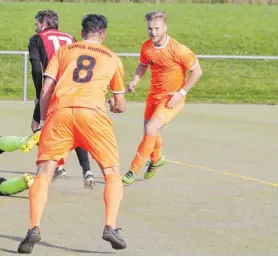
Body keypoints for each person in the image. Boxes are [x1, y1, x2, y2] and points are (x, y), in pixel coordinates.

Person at [17, 14, 127, 254]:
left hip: (61, 114)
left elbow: (46, 88)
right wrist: (114, 104)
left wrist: (45, 119)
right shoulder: (113, 58)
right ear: (103, 34)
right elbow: (120, 104)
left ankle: (33, 228)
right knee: (111, 172)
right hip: (93, 116)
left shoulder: (66, 51)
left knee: (44, 174)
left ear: (82, 31)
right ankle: (110, 226)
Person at [121, 11, 203, 184]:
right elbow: (142, 66)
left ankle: (132, 170)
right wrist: (134, 80)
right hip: (153, 96)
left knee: (151, 130)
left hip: (172, 98)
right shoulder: (147, 47)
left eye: (157, 28)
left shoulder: (179, 50)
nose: (153, 32)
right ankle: (157, 160)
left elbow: (197, 71)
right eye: (150, 28)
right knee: (150, 131)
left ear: (165, 27)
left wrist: (181, 93)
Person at [28, 9, 95, 188]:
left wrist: (38, 95)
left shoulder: (36, 39)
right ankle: (87, 170)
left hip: (53, 88)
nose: (36, 28)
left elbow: (36, 69)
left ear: (43, 24)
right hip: (75, 88)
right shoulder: (71, 38)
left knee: (37, 126)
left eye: (37, 24)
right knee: (74, 128)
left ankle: (57, 166)